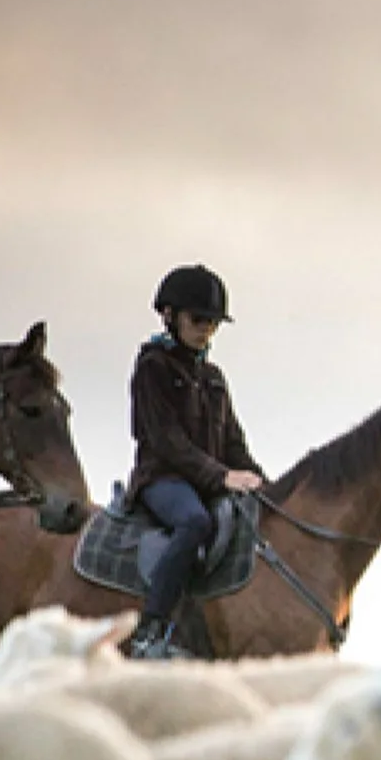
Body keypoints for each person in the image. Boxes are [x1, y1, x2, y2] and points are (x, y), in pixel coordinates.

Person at [123, 264, 265, 660]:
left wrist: (263, 485)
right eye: (198, 319)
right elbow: (168, 442)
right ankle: (149, 631)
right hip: (161, 479)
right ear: (170, 316)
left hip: (205, 481)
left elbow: (234, 444)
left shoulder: (214, 378)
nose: (206, 330)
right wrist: (221, 477)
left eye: (214, 323)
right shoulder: (153, 367)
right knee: (195, 522)